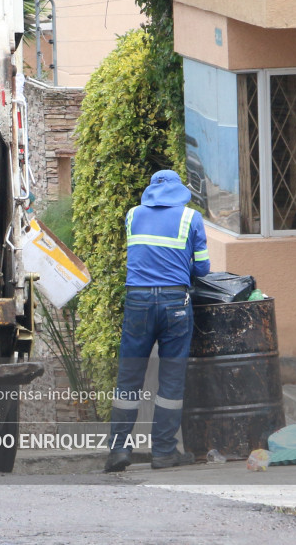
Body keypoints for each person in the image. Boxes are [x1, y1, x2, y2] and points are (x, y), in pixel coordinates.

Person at [104, 170, 210, 473]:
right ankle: (163, 452)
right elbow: (202, 269)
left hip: (137, 301)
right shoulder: (192, 218)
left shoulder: (132, 215)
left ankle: (118, 451)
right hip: (175, 303)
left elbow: (141, 256)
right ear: (179, 191)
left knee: (128, 378)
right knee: (171, 378)